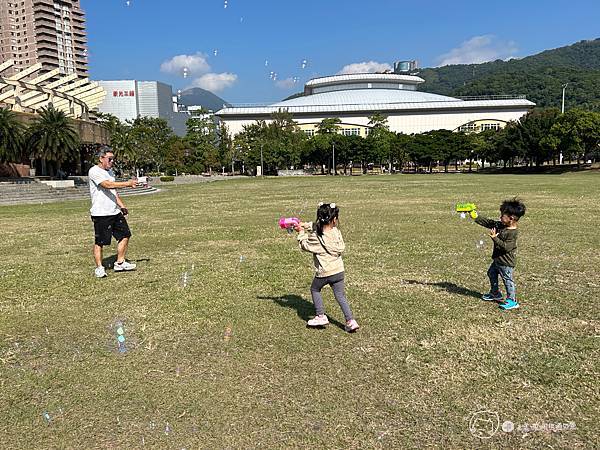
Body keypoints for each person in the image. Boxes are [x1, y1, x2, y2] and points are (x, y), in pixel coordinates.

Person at [294, 202, 359, 332]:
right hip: (339, 271)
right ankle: (350, 321)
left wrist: (301, 233)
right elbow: (316, 227)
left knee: (315, 289)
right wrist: (305, 225)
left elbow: (304, 245)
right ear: (334, 220)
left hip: (325, 273)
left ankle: (320, 315)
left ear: (319, 218)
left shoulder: (316, 237)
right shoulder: (336, 232)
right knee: (340, 295)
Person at [88, 146, 138, 278]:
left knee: (125, 235)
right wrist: (127, 183)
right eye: (109, 159)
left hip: (114, 211)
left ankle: (120, 262)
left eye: (113, 159)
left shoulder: (110, 173)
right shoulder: (94, 171)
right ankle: (99, 267)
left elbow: (113, 192)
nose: (112, 162)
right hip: (101, 213)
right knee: (101, 242)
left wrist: (121, 206)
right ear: (101, 158)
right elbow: (107, 185)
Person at [472, 198, 526, 310]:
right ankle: (495, 293)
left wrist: (495, 238)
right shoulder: (501, 225)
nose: (500, 217)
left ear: (511, 218)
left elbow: (506, 247)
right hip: (497, 260)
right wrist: (476, 217)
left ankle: (512, 300)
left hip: (506, 262)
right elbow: (489, 223)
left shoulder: (512, 233)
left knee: (507, 280)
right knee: (491, 273)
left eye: (502, 215)